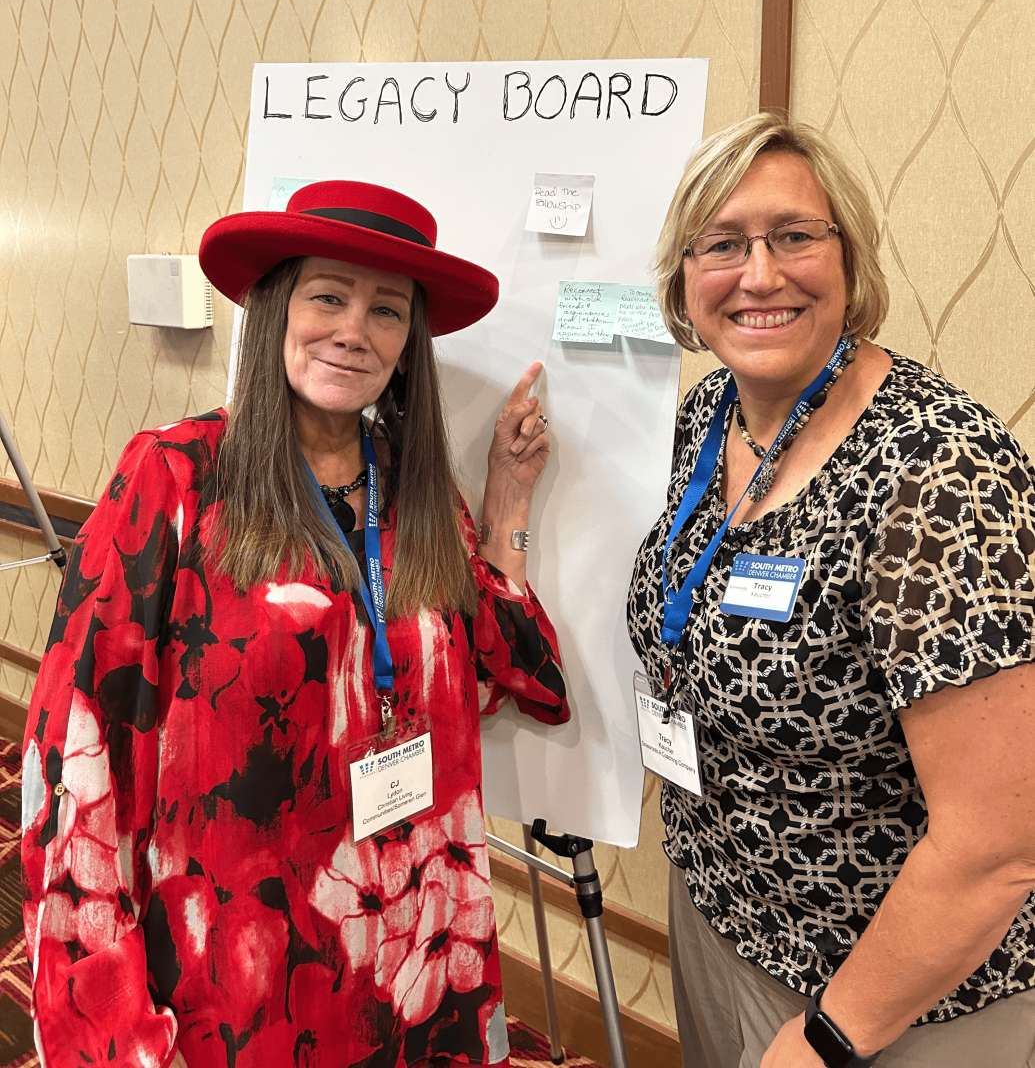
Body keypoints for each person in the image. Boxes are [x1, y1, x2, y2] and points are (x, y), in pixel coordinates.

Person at [22, 180, 569, 1068]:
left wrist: (506, 502)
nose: (354, 330)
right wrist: (109, 1022)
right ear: (277, 308)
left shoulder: (417, 491)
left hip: (414, 938)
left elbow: (521, 678)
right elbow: (74, 751)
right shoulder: (176, 475)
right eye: (327, 297)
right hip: (241, 964)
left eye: (386, 310)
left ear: (408, 345)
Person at [628, 114, 1035, 1068]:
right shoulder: (710, 416)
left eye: (793, 236)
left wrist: (829, 1037)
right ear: (683, 280)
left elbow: (995, 845)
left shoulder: (938, 474)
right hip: (724, 911)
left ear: (848, 258)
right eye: (721, 245)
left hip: (899, 993)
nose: (759, 274)